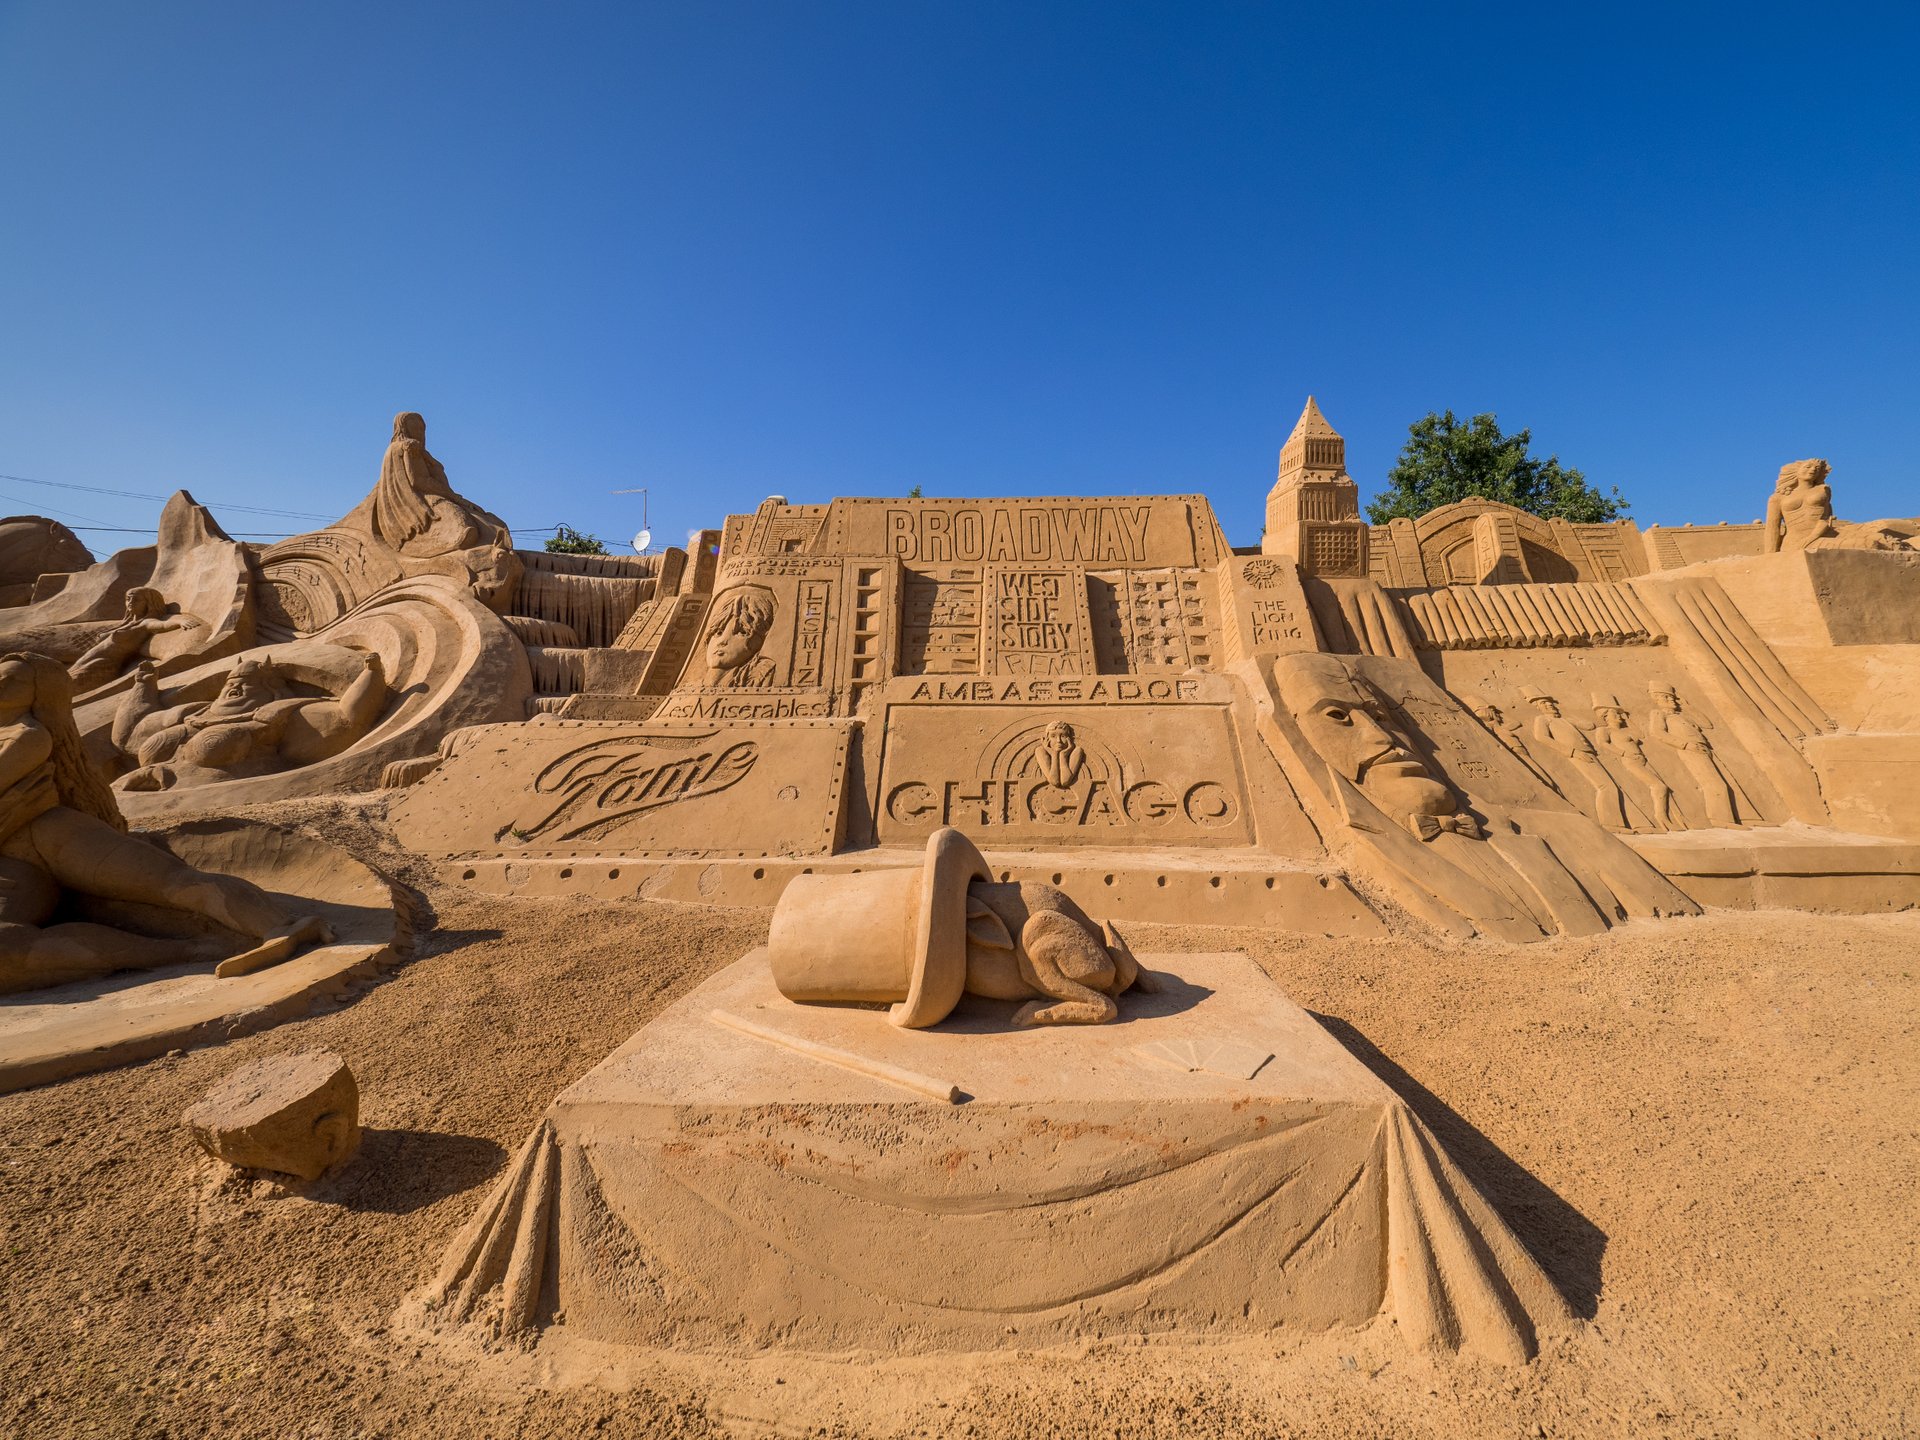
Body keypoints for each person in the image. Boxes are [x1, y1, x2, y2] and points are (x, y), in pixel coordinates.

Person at [0, 653, 331, 993]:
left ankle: (282, 926)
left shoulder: (27, 735)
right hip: (12, 860)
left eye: (10, 681)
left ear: (39, 693)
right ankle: (186, 951)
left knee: (173, 883)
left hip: (52, 836)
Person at [112, 650, 388, 792]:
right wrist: (143, 687)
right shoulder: (192, 714)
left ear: (270, 689)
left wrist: (371, 676)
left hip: (216, 800)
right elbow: (129, 735)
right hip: (128, 799)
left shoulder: (279, 715)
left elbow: (346, 722)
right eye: (230, 685)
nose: (234, 689)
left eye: (246, 685)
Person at [66, 586, 201, 695]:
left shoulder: (146, 623)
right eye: (128, 599)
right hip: (83, 663)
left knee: (65, 689)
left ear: (148, 603)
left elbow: (162, 624)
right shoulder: (128, 623)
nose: (130, 603)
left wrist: (181, 620)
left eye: (136, 600)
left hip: (101, 666)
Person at [1644, 683, 1738, 827]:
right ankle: (1721, 820)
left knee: (1728, 784)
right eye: (1666, 697)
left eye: (1672, 697)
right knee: (1715, 784)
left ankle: (1744, 818)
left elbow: (1706, 724)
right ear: (1656, 699)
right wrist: (1685, 745)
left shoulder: (1681, 715)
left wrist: (1688, 706)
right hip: (1689, 749)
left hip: (1704, 748)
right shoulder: (1658, 713)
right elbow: (1657, 732)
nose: (1671, 700)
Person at [1592, 694, 1673, 830]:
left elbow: (1640, 736)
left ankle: (1664, 816)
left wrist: (1628, 719)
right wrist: (1624, 753)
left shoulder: (1625, 730)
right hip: (1630, 761)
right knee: (1659, 786)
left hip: (1642, 759)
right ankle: (1660, 816)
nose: (1619, 716)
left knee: (1662, 786)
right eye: (1615, 714)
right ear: (1606, 717)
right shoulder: (1604, 730)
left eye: (1619, 714)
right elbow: (1603, 743)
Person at [701, 586, 778, 689]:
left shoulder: (760, 674)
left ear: (759, 641)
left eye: (742, 633)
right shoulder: (693, 685)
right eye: (718, 632)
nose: (722, 641)